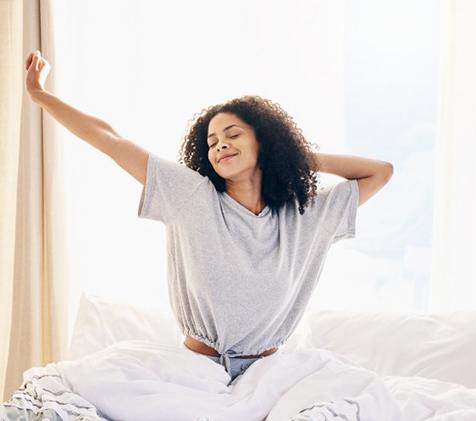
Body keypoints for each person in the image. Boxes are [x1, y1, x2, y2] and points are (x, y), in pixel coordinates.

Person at [24, 50, 394, 386]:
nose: (220, 145)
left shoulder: (304, 215)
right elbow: (110, 139)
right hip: (195, 371)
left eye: (232, 135)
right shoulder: (191, 194)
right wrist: (42, 96)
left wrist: (295, 157)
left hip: (269, 375)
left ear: (264, 143)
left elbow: (380, 171)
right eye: (212, 142)